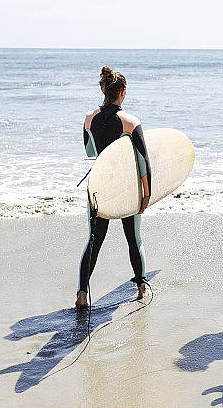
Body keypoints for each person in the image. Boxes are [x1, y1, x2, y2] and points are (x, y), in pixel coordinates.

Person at [76, 66, 152, 308]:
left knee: (94, 242)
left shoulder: (89, 118)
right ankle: (141, 288)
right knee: (133, 239)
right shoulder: (130, 122)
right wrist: (146, 194)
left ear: (104, 91)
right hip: (125, 189)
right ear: (123, 92)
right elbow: (144, 161)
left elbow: (90, 152)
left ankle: (81, 294)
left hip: (97, 188)